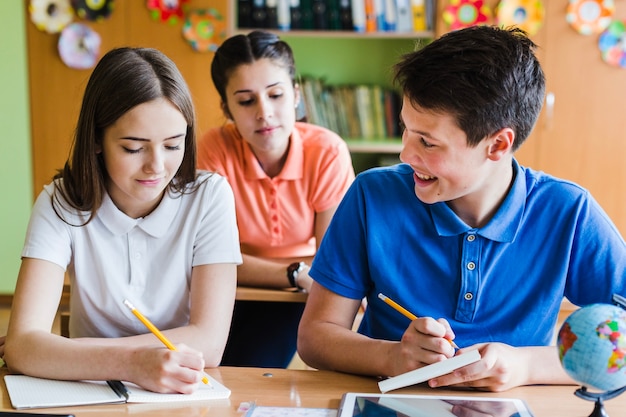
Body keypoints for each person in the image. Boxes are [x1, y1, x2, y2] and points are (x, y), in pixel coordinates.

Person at [297, 25, 626, 392]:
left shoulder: (568, 212)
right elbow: (315, 337)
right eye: (406, 130)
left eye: (428, 142)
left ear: (498, 145)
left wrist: (525, 366)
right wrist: (393, 357)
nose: (406, 155)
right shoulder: (372, 195)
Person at [3, 47, 242, 394]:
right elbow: (23, 348)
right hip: (86, 390)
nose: (156, 166)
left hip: (178, 392)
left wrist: (59, 350)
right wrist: (131, 364)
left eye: (173, 145)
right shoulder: (61, 202)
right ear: (97, 139)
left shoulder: (209, 197)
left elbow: (209, 343)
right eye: (133, 148)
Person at [197, 30, 355, 368]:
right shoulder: (213, 149)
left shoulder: (327, 151)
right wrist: (294, 272)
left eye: (276, 95)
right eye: (246, 100)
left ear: (296, 96)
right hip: (231, 289)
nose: (264, 112)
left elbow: (331, 260)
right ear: (227, 108)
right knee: (200, 365)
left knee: (247, 367)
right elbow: (206, 257)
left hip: (298, 297)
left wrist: (300, 277)